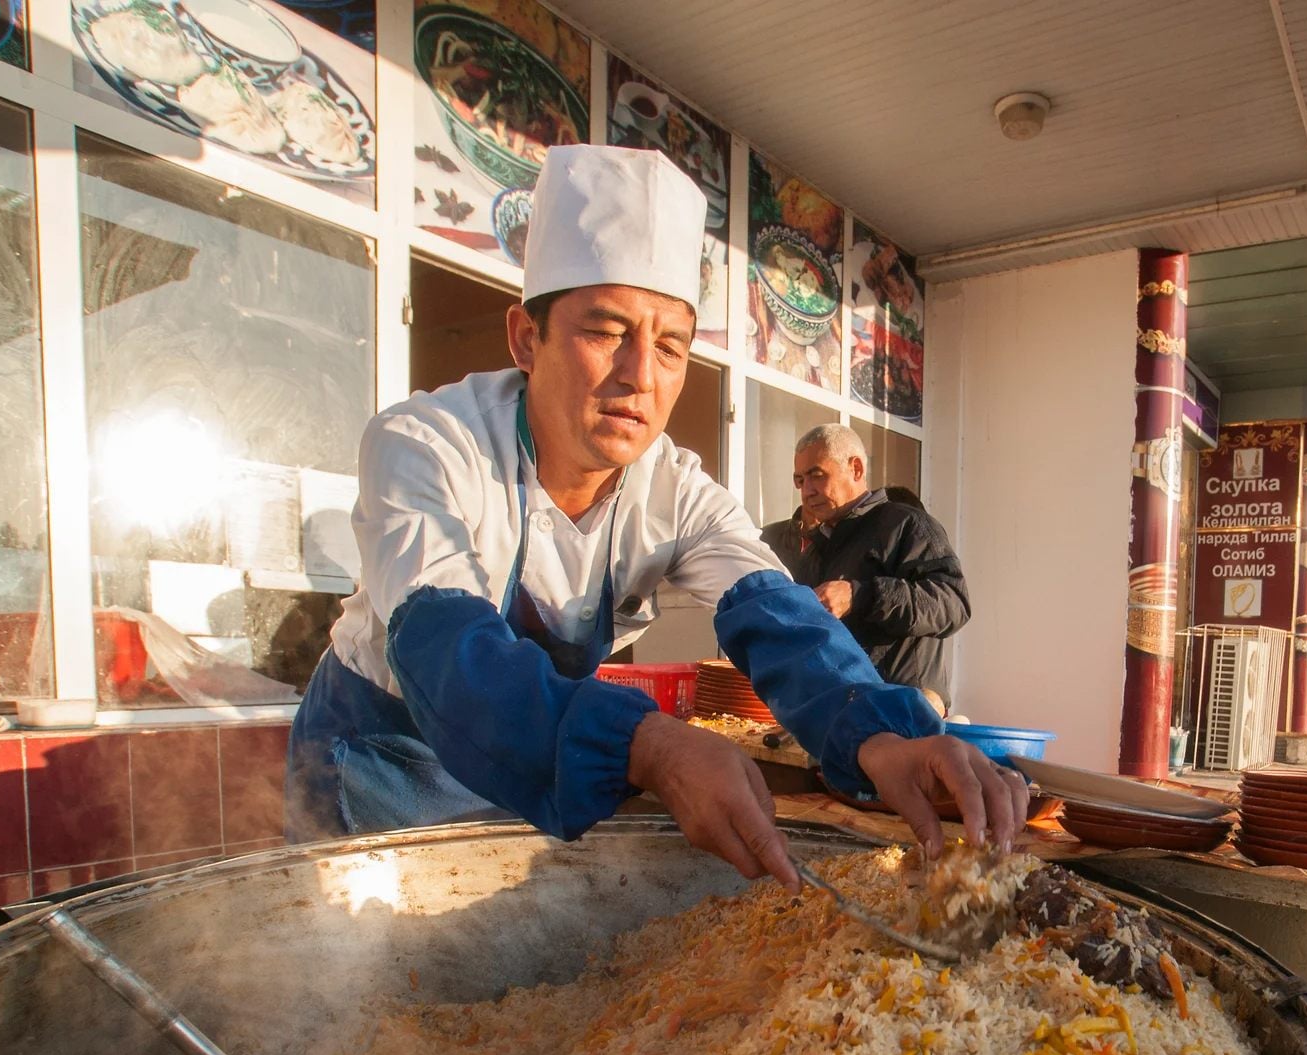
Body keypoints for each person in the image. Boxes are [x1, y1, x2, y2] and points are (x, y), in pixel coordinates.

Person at [286, 146, 1024, 880]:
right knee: (377, 975)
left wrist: (875, 737)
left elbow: (778, 615)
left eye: (670, 345)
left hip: (532, 754)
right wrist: (647, 744)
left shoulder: (673, 490)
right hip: (385, 758)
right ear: (525, 338)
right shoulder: (427, 445)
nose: (640, 376)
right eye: (605, 332)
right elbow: (447, 650)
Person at [761, 425, 969, 711]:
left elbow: (953, 604)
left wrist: (860, 596)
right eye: (799, 480)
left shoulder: (907, 525)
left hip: (903, 712)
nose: (807, 491)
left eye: (817, 475)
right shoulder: (819, 541)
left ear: (856, 469)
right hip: (837, 713)